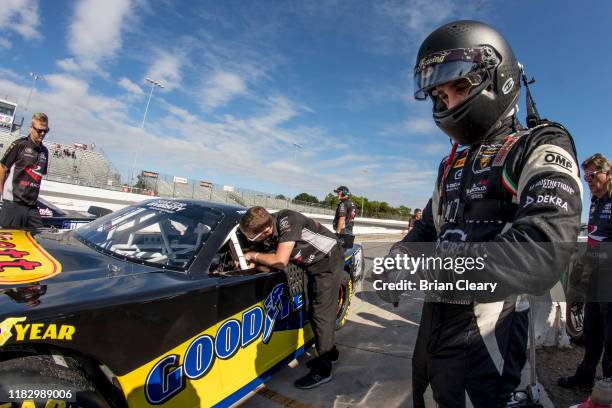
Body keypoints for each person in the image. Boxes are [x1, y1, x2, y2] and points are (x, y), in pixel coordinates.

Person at [378, 20, 582, 406]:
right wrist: (398, 259)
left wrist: (431, 268)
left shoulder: (538, 145)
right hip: (433, 331)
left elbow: (544, 250)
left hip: (489, 339)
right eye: (440, 93)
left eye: (460, 86)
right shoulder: (450, 165)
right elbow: (425, 229)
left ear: (498, 79)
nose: (449, 103)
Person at [239, 206, 343, 389]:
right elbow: (269, 265)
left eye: (251, 238)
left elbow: (280, 261)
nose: (249, 241)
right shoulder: (269, 233)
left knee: (321, 315)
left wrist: (252, 255)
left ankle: (324, 370)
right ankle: (330, 353)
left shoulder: (289, 220)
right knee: (311, 309)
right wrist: (252, 264)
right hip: (309, 265)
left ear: (267, 230)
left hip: (328, 260)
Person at [559, 153, 612, 391]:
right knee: (592, 332)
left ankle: (609, 388)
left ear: (607, 173)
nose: (588, 180)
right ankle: (585, 377)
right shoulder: (595, 200)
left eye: (592, 175)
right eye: (586, 176)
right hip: (595, 277)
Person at [0, 112, 50, 229]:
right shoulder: (19, 145)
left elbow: (38, 176)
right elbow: (2, 168)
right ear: (31, 128)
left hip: (32, 207)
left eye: (45, 130)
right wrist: (2, 194)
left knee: (39, 237)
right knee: (8, 243)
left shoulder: (45, 152)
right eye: (39, 130)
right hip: (13, 204)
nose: (42, 133)